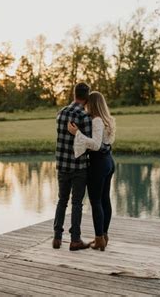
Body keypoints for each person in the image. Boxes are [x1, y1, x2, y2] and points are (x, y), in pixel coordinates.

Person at [68, 91, 116, 251]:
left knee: (96, 201)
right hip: (109, 161)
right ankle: (104, 235)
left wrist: (77, 134)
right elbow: (105, 143)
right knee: (105, 200)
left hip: (99, 164)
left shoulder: (96, 120)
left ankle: (99, 239)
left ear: (92, 103)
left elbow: (95, 145)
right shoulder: (109, 120)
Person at [53, 82, 94, 251]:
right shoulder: (84, 117)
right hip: (79, 166)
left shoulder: (60, 113)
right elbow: (89, 142)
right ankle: (75, 239)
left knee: (62, 201)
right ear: (87, 97)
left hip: (62, 165)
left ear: (74, 94)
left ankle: (57, 238)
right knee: (77, 203)